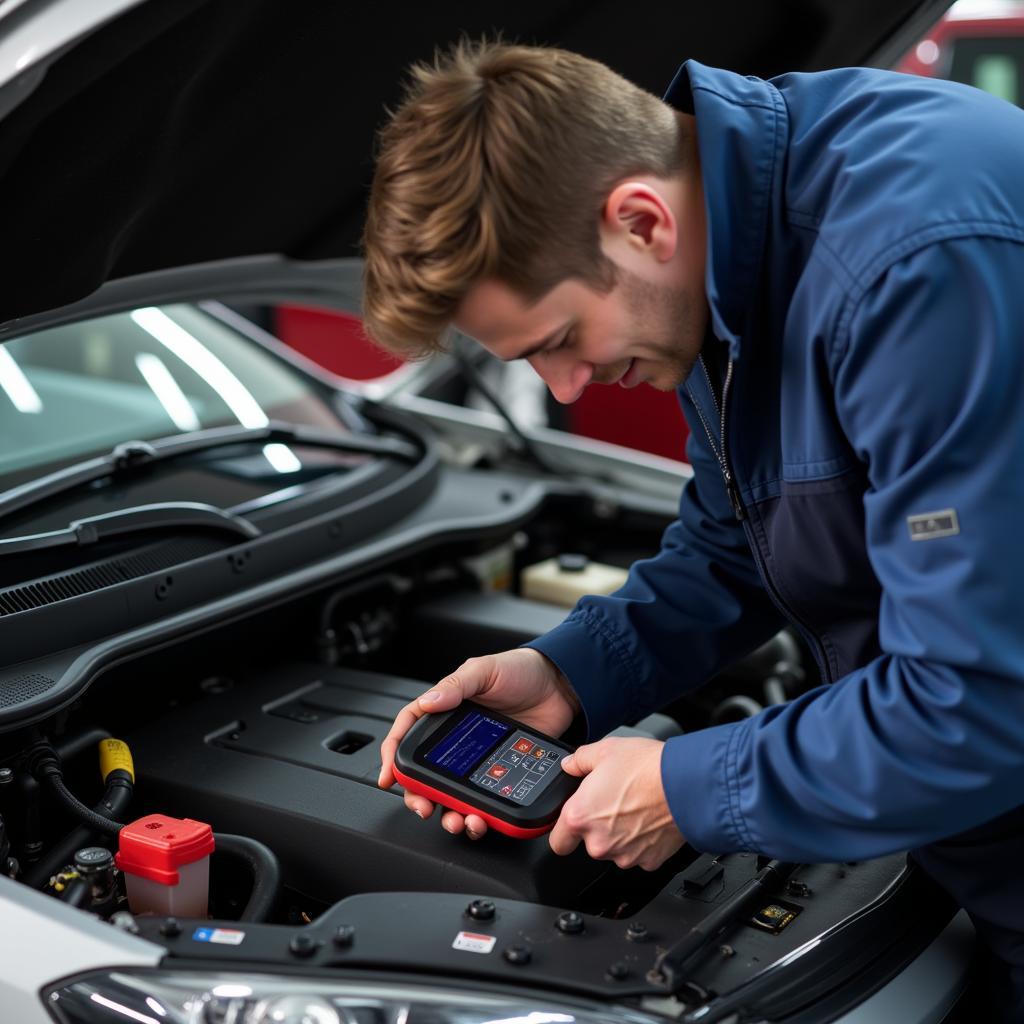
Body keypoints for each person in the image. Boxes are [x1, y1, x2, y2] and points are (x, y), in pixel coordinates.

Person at [361, 41, 1024, 1015]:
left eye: (557, 341)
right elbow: (737, 540)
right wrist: (568, 673)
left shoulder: (913, 267)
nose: (564, 388)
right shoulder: (738, 250)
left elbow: (981, 696)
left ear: (639, 222)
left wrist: (690, 785)